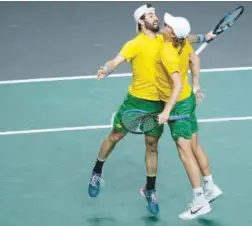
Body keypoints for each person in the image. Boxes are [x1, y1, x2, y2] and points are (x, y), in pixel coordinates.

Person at [88, 4, 214, 216]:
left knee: (152, 145)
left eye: (155, 14)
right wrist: (107, 69)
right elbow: (117, 60)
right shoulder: (134, 44)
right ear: (140, 21)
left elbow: (185, 38)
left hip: (159, 104)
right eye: (150, 15)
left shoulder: (165, 38)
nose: (155, 18)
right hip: (136, 101)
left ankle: (150, 190)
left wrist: (204, 37)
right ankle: (96, 172)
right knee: (115, 136)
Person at [154, 12, 215, 220]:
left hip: (178, 104)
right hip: (188, 99)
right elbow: (194, 58)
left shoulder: (166, 51)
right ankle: (210, 186)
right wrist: (196, 86)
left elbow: (178, 84)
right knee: (195, 145)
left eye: (166, 25)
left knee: (185, 152)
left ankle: (199, 201)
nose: (163, 25)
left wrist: (166, 111)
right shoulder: (181, 42)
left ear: (172, 34)